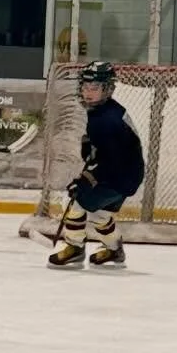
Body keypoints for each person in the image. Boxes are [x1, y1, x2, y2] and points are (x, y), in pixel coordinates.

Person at [48, 61, 146, 270]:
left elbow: (113, 160)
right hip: (129, 174)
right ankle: (114, 249)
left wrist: (88, 179)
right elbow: (110, 151)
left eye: (94, 88)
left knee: (76, 202)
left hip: (119, 175)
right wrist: (91, 147)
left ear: (108, 89)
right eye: (85, 87)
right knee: (100, 213)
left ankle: (74, 248)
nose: (88, 92)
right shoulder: (106, 110)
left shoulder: (106, 120)